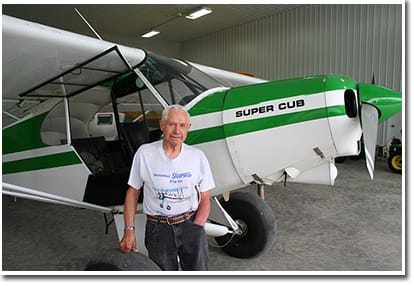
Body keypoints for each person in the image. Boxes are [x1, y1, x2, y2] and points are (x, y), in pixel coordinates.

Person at [119, 104, 215, 271]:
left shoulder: (197, 157)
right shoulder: (145, 153)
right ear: (162, 125)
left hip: (190, 223)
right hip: (158, 228)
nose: (177, 130)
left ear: (188, 128)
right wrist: (129, 230)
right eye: (172, 124)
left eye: (182, 125)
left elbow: (205, 196)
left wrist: (197, 227)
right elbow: (133, 192)